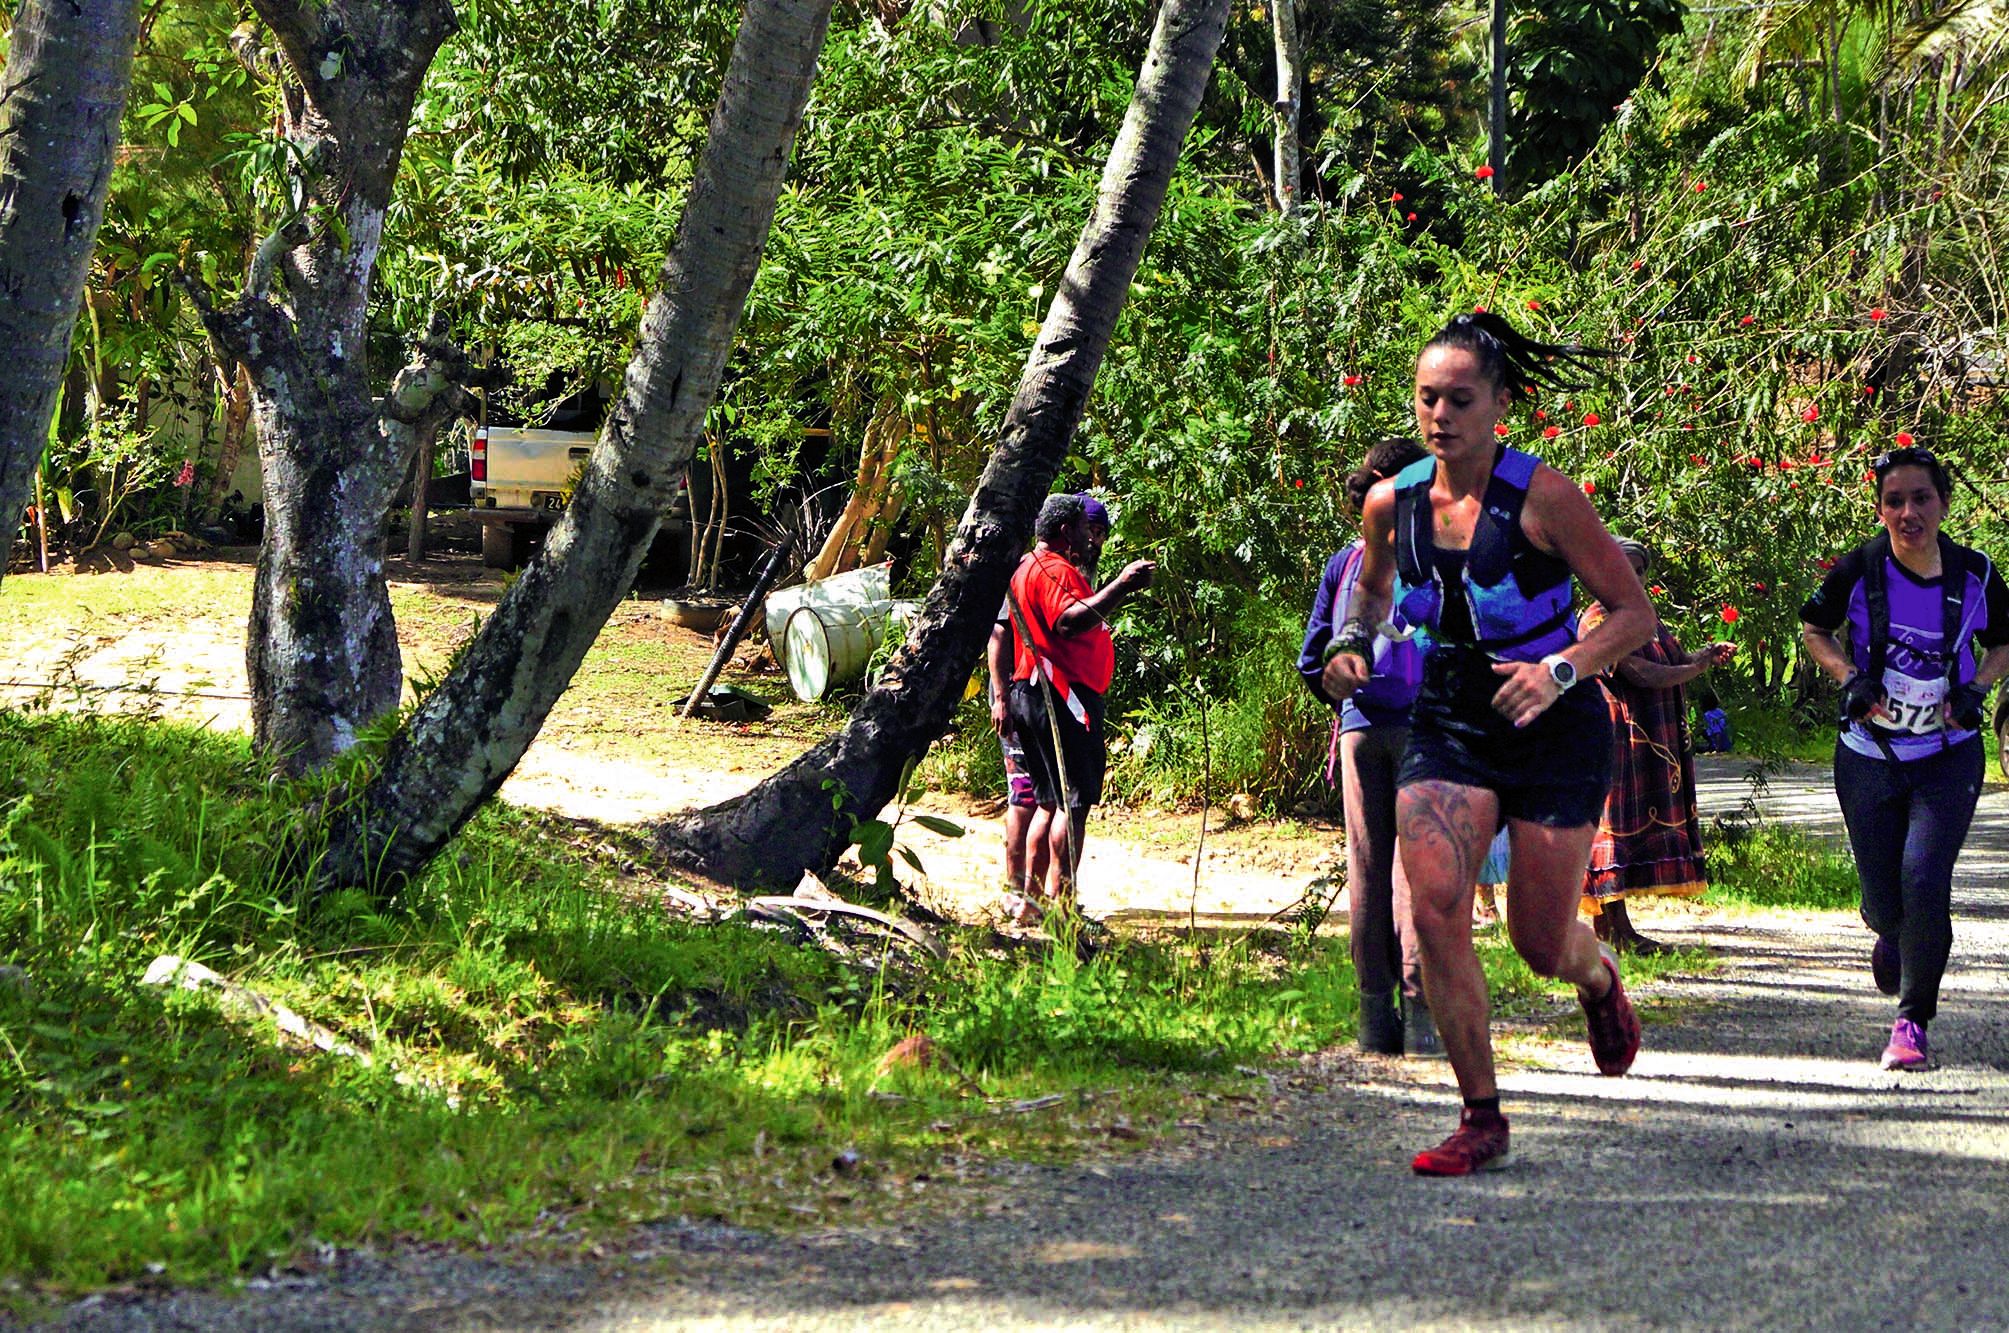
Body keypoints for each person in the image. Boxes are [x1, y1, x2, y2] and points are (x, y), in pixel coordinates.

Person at [1322, 311, 1657, 1176]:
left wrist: (1559, 671)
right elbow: (1372, 592)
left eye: (1460, 399)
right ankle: (1480, 1115)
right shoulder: (1391, 503)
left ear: (1500, 403)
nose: (1440, 415)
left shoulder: (1546, 498)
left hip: (1553, 723)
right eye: (1426, 398)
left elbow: (1632, 615)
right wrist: (1351, 641)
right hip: (1450, 717)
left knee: (1538, 942)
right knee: (1436, 905)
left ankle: (1596, 977)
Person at [1799, 444, 2009, 1071]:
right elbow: (1814, 630)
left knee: (1925, 880)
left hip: (1948, 754)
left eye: (1921, 498)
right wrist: (1850, 678)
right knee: (1886, 898)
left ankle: (1912, 1023)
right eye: (1895, 501)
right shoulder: (1858, 569)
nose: (1908, 512)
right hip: (1869, 753)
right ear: (1881, 509)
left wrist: (1977, 689)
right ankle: (1889, 929)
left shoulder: (1976, 574)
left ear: (1943, 504)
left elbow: (2004, 642)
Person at [1300, 437, 1437, 1056]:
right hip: (1425, 730)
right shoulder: (1440, 552)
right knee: (1419, 870)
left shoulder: (1344, 563)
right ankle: (1422, 1016)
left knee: (1367, 866)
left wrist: (1346, 706)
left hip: (1360, 729)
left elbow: (1313, 658)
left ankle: (1374, 1018)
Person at [1580, 538, 1737, 953]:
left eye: (1640, 571)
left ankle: (1616, 928)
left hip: (1652, 742)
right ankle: (1613, 928)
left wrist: (1703, 656)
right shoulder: (1598, 621)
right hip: (1619, 738)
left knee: (1633, 830)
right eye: (1624, 569)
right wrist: (1694, 669)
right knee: (1612, 830)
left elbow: (1672, 660)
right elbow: (1641, 673)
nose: (1633, 578)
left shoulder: (1645, 618)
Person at [1005, 493, 1155, 916]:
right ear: (1066, 530)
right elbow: (1068, 621)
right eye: (1086, 530)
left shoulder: (1025, 566)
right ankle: (1063, 908)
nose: (1090, 539)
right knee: (1071, 805)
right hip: (1062, 697)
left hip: (1034, 693)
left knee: (1048, 802)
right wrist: (1121, 585)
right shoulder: (1054, 569)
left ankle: (1031, 903)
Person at [988, 608, 1040, 923]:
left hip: (1042, 696)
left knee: (1046, 797)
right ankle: (1016, 889)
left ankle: (1041, 891)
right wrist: (1002, 698)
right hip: (1015, 696)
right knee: (1024, 794)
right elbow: (998, 634)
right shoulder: (1013, 583)